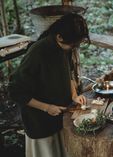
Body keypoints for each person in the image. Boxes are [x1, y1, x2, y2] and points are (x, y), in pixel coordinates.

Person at [8, 13, 90, 157]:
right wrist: (47, 108)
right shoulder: (38, 52)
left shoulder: (65, 48)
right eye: (72, 44)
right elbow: (16, 91)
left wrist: (74, 95)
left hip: (60, 116)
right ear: (59, 36)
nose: (73, 48)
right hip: (40, 122)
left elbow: (69, 73)